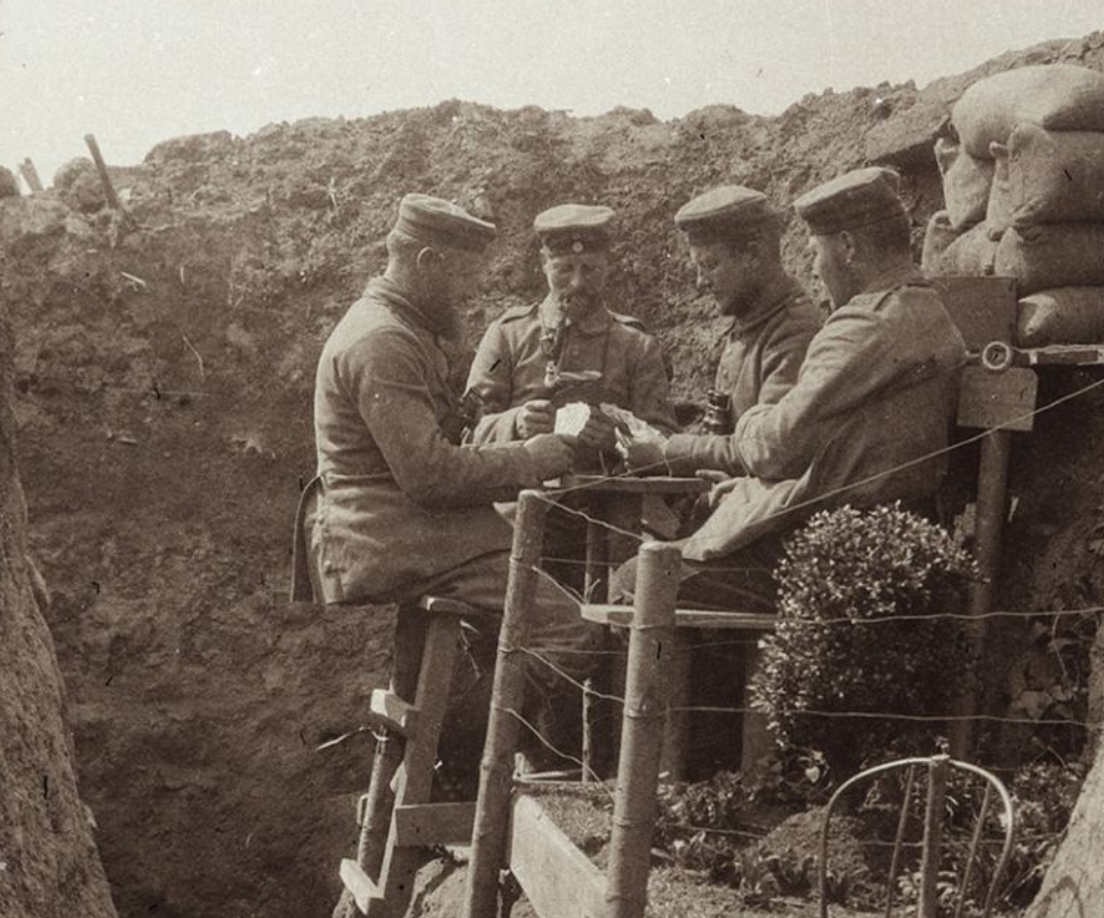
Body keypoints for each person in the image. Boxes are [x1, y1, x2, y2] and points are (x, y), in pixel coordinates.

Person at [297, 193, 596, 777]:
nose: (467, 295)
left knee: (520, 581)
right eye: (461, 278)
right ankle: (450, 759)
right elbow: (430, 476)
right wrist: (529, 456)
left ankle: (460, 753)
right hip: (389, 536)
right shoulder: (380, 340)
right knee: (574, 632)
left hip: (394, 526)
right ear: (427, 261)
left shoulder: (395, 328)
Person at [625, 167, 968, 611]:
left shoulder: (863, 325)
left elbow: (775, 445)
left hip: (834, 548)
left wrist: (750, 425)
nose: (813, 270)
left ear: (846, 247)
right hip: (874, 534)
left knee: (632, 581)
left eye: (814, 254)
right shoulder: (924, 309)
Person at [464, 203, 677, 586]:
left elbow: (664, 440)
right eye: (564, 269)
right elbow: (469, 429)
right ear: (544, 265)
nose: (577, 283)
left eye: (590, 269)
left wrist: (615, 440)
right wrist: (516, 422)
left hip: (610, 519)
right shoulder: (507, 338)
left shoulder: (636, 347)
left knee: (619, 600)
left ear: (608, 267)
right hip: (520, 513)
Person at [672, 184, 822, 435]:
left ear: (752, 254)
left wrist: (672, 451)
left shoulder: (795, 333)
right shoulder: (752, 323)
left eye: (710, 265)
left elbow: (766, 446)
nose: (700, 283)